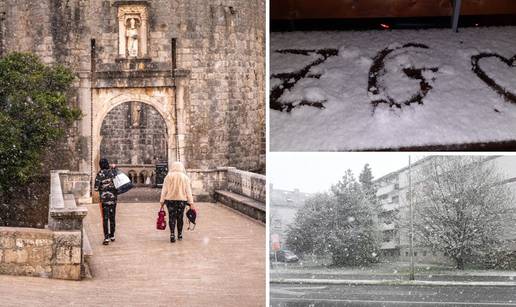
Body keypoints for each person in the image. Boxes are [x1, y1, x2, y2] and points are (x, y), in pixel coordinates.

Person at [160, 161, 195, 243]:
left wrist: (162, 201)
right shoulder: (185, 177)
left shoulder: (168, 177)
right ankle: (179, 234)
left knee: (171, 217)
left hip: (170, 200)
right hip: (181, 200)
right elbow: (188, 191)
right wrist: (191, 203)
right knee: (180, 217)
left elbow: (164, 190)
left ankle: (172, 234)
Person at [94, 158, 118, 245]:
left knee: (105, 218)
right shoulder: (112, 173)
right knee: (112, 218)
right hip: (113, 199)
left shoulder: (100, 174)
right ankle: (112, 235)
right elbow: (118, 184)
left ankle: (106, 237)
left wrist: (102, 187)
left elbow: (96, 188)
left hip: (104, 200)